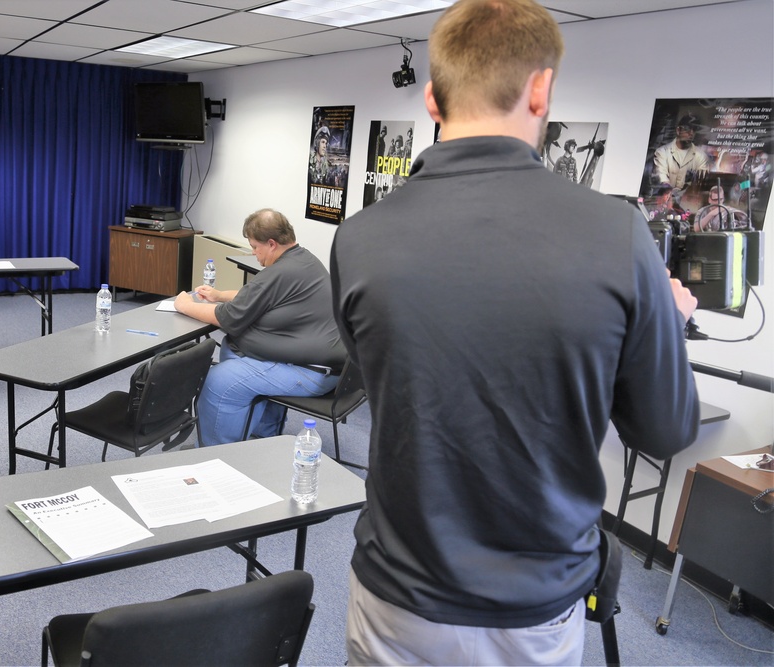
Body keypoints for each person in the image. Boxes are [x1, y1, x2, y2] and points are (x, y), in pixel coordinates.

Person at [330, 1, 701, 665]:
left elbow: (384, 374)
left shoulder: (359, 238)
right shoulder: (619, 236)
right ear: (541, 90)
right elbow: (665, 430)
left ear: (433, 100)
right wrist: (665, 322)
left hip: (395, 596)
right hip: (530, 611)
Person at [174, 209, 345, 446]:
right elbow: (257, 297)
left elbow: (228, 318)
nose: (253, 253)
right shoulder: (302, 260)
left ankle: (214, 453)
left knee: (218, 382)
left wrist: (184, 305)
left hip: (312, 372)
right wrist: (219, 294)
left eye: (255, 247)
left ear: (272, 244)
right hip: (319, 364)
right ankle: (263, 435)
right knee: (231, 349)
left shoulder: (281, 271)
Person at [654, 113, 710, 194]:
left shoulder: (701, 157)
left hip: (688, 201)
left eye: (694, 129)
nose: (691, 133)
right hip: (665, 197)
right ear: (678, 130)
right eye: (687, 129)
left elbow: (699, 184)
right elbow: (661, 178)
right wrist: (669, 191)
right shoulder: (662, 152)